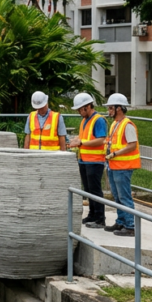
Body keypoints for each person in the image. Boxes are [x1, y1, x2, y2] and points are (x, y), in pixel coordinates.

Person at [67, 92, 108, 228]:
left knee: (95, 190)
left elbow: (101, 140)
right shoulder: (84, 120)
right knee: (88, 189)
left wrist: (81, 142)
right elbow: (83, 138)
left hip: (95, 161)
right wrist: (76, 141)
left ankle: (100, 218)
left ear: (88, 106)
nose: (79, 112)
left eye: (80, 109)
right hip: (84, 160)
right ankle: (92, 214)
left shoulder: (98, 120)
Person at [104, 93, 140, 237]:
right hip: (114, 166)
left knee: (124, 197)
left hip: (123, 167)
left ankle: (130, 226)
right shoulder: (115, 124)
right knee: (117, 197)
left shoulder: (127, 125)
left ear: (119, 108)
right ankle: (121, 221)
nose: (108, 111)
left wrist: (115, 154)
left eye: (110, 108)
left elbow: (132, 145)